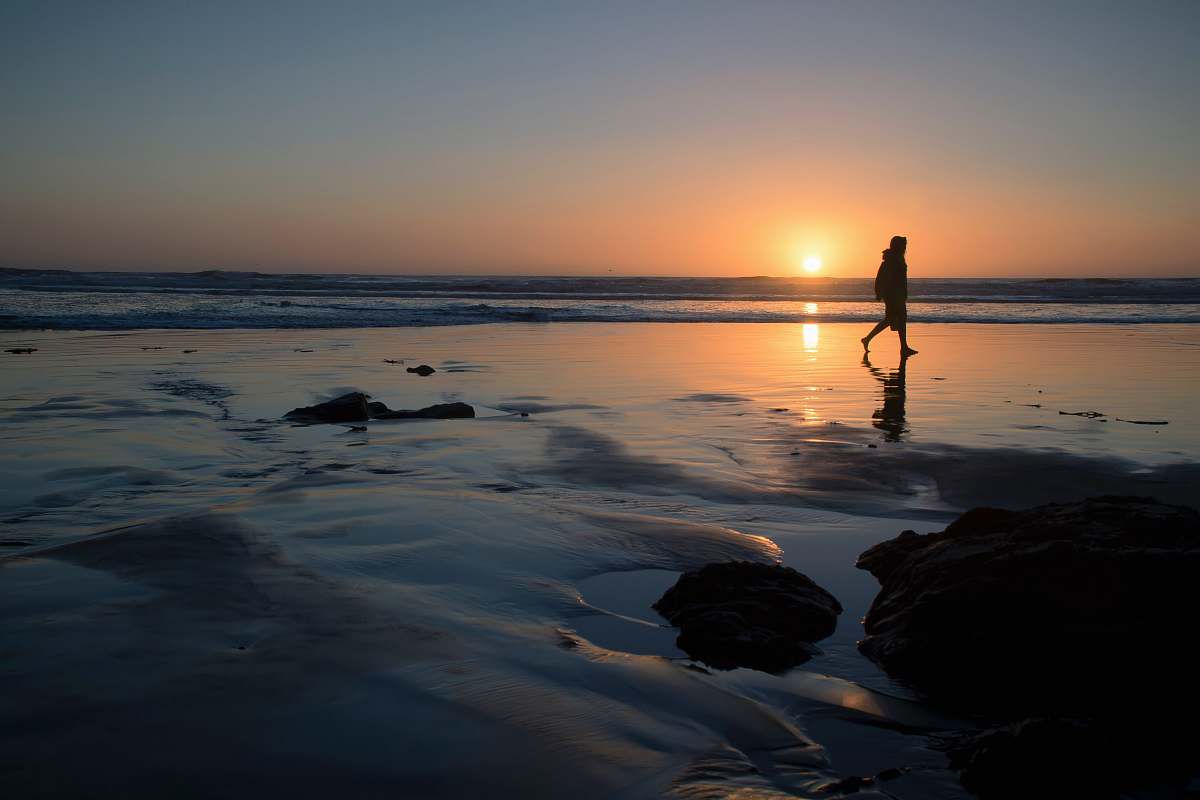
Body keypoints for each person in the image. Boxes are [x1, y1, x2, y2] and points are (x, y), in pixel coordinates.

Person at [862, 235, 917, 357]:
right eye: (903, 245)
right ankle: (903, 348)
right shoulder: (892, 259)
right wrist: (880, 292)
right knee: (898, 319)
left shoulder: (898, 258)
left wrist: (903, 292)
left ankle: (868, 339)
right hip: (893, 295)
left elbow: (900, 279)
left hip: (897, 294)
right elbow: (883, 277)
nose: (905, 247)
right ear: (897, 245)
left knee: (893, 320)